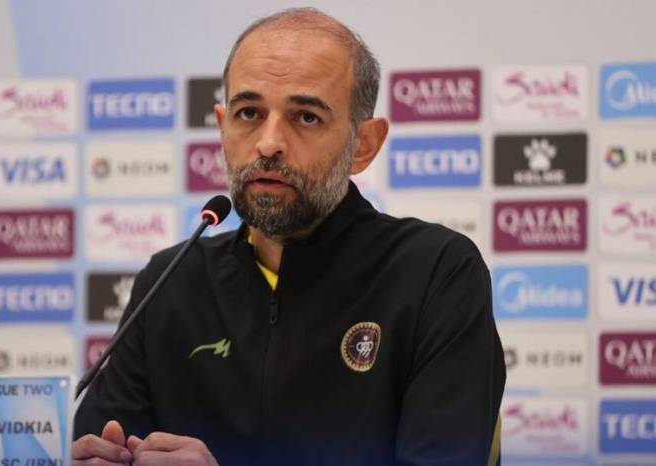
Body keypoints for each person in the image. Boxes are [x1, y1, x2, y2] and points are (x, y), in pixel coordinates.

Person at [72, 7, 505, 466]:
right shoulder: (170, 282)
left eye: (306, 117)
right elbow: (104, 440)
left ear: (364, 145)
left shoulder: (435, 273)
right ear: (222, 127)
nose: (268, 143)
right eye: (249, 113)